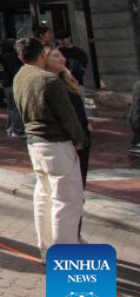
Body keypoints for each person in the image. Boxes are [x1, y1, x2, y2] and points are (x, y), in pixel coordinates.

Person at [13, 37, 87, 257]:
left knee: (44, 197)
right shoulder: (48, 81)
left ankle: (46, 248)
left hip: (34, 142)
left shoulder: (19, 77)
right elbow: (67, 116)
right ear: (42, 55)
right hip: (56, 143)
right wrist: (79, 138)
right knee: (65, 201)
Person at [43, 46, 91, 196]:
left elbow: (77, 109)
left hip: (82, 137)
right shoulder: (47, 83)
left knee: (79, 184)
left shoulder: (67, 80)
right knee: (68, 190)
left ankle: (77, 217)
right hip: (67, 141)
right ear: (44, 60)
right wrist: (74, 137)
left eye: (62, 56)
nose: (62, 59)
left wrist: (86, 126)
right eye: (56, 56)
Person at [0, 39, 25, 138]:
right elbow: (15, 71)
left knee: (11, 107)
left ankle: (10, 127)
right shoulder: (12, 57)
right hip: (13, 83)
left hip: (7, 84)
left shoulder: (4, 56)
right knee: (17, 107)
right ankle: (17, 130)